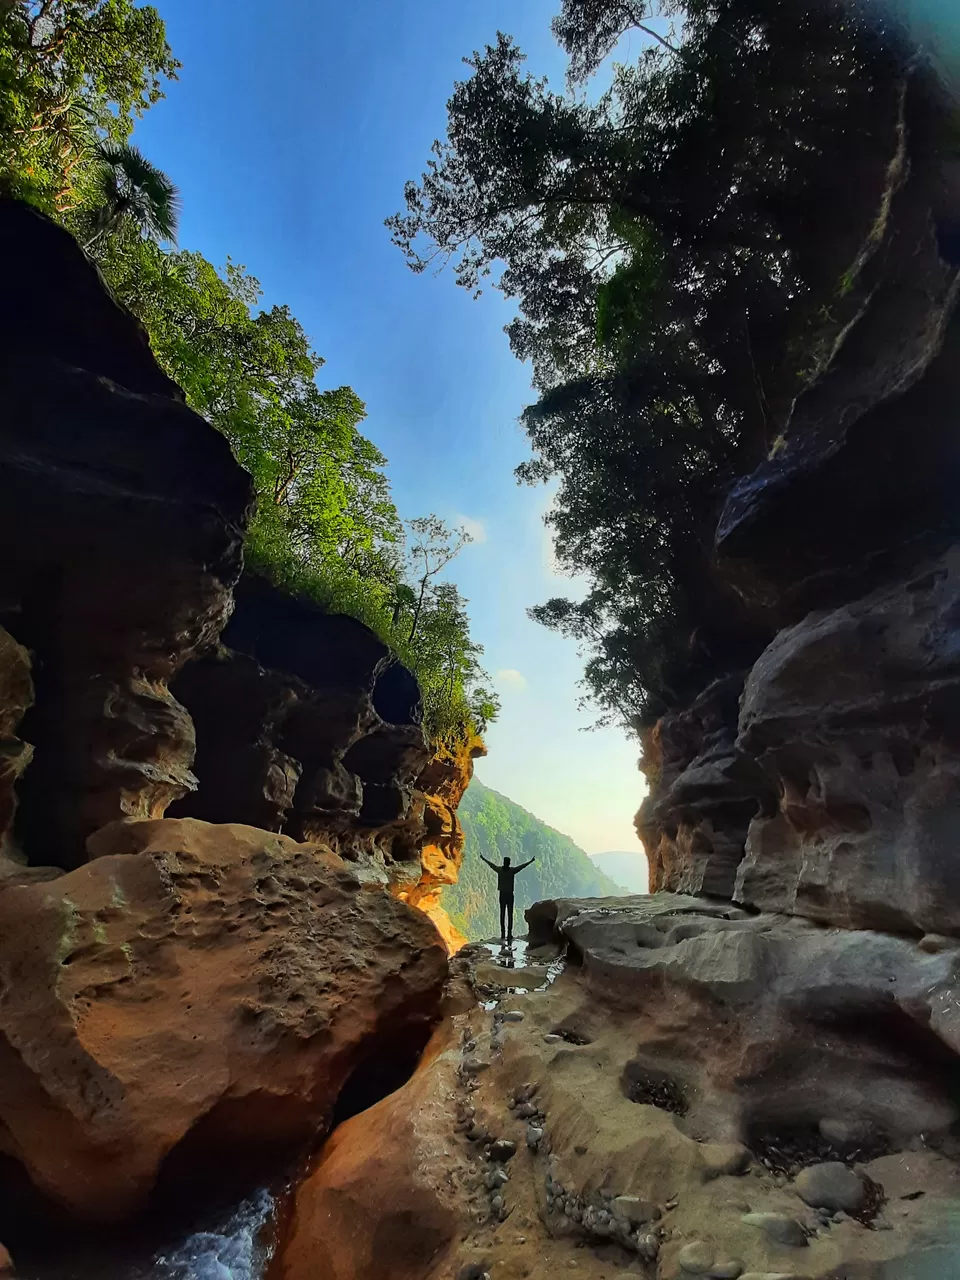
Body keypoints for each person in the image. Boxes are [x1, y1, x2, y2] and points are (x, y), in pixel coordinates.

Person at [480, 854, 535, 941]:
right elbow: (521, 867)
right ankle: (509, 934)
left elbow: (491, 865)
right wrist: (530, 861)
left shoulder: (500, 870)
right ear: (509, 863)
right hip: (509, 895)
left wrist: (483, 858)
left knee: (502, 914)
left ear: (504, 863)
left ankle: (503, 934)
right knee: (509, 914)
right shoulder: (511, 871)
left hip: (502, 894)